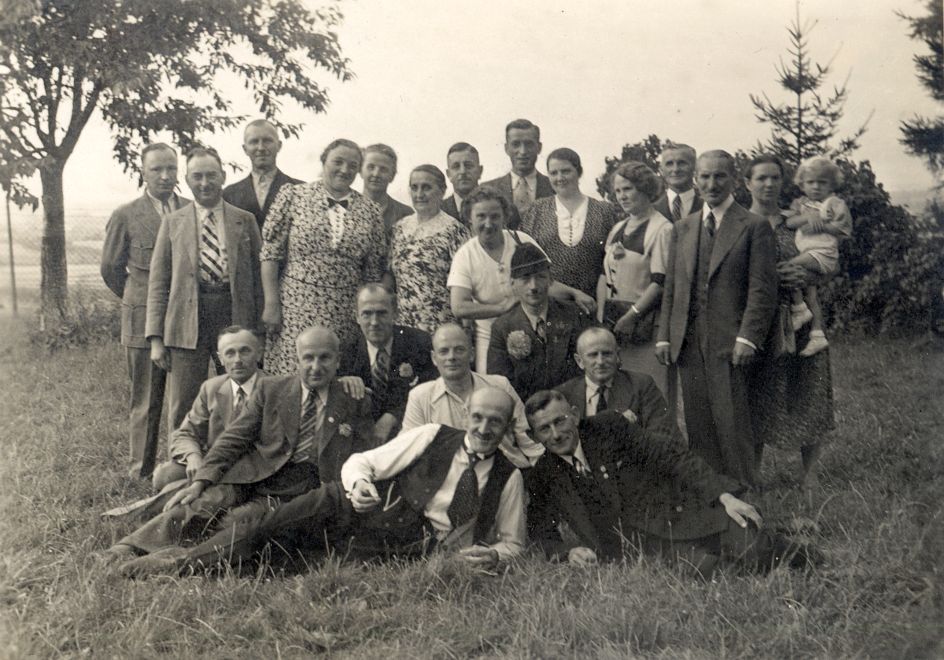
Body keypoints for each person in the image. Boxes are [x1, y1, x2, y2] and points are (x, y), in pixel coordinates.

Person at [118, 387, 526, 576]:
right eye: (478, 417)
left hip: (395, 543)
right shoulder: (434, 434)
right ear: (466, 416)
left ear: (507, 427)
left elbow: (513, 543)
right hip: (345, 503)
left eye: (495, 421)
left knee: (287, 562)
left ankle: (189, 561)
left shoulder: (508, 477)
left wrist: (495, 556)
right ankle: (176, 564)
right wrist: (359, 485)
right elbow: (363, 462)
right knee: (265, 528)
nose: (484, 428)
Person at [108, 327, 374, 564]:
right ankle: (128, 547)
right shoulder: (273, 389)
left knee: (239, 521)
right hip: (255, 473)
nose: (316, 366)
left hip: (301, 488)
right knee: (204, 500)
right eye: (308, 358)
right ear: (297, 359)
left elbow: (364, 456)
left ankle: (178, 555)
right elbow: (233, 439)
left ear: (338, 360)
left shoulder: (354, 399)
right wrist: (201, 481)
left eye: (324, 358)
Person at [525, 390, 818, 575]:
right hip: (643, 551)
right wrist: (567, 553)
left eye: (560, 421)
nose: (555, 434)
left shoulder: (608, 427)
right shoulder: (544, 474)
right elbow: (539, 530)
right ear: (534, 436)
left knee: (757, 550)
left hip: (679, 516)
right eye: (544, 429)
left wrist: (723, 496)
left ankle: (797, 550)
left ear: (575, 416)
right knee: (711, 570)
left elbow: (671, 456)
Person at [656, 150, 778, 487]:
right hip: (688, 338)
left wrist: (748, 337)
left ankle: (744, 488)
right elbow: (672, 287)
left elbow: (762, 290)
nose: (712, 184)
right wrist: (665, 335)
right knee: (698, 420)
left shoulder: (753, 226)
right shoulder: (683, 227)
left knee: (732, 418)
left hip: (731, 339)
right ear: (696, 180)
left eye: (720, 176)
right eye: (705, 177)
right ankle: (712, 492)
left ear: (734, 180)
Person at [146, 146, 264, 441]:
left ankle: (235, 457)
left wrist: (259, 330)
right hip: (187, 320)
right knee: (184, 402)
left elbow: (259, 279)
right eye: (197, 176)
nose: (204, 183)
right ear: (186, 180)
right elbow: (159, 283)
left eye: (211, 175)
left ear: (223, 176)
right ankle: (182, 459)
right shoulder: (173, 222)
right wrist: (156, 339)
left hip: (234, 316)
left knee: (239, 396)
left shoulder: (244, 220)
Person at [744, 154, 835, 489]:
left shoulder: (797, 222)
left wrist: (805, 273)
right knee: (755, 392)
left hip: (801, 317)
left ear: (783, 182)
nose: (768, 184)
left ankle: (809, 473)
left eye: (775, 177)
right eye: (761, 178)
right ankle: (752, 474)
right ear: (748, 183)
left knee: (808, 387)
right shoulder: (738, 224)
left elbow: (827, 261)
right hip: (756, 320)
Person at [101, 143, 190, 479]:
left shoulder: (191, 209)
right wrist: (138, 298)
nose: (165, 176)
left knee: (184, 396)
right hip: (141, 317)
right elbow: (111, 268)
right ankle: (140, 469)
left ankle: (180, 465)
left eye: (171, 168)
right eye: (157, 169)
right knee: (146, 397)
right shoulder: (126, 214)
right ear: (143, 172)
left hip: (184, 318)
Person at [260, 138, 387, 374]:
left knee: (337, 374)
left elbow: (372, 272)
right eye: (338, 162)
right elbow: (270, 254)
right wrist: (271, 303)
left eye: (353, 165)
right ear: (323, 161)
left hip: (345, 310)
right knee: (294, 373)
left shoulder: (370, 210)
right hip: (296, 306)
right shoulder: (294, 195)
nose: (345, 170)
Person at [448, 187, 595, 373]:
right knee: (494, 383)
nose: (488, 223)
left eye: (495, 216)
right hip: (489, 334)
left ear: (505, 216)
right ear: (470, 218)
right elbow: (459, 307)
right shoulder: (465, 256)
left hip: (531, 326)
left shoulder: (521, 240)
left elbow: (543, 282)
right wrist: (501, 308)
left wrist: (574, 293)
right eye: (481, 216)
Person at [403, 323, 544, 468]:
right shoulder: (420, 397)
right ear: (434, 358)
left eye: (459, 350)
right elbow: (407, 451)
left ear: (471, 354)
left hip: (506, 471)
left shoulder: (500, 386)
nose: (451, 357)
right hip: (448, 477)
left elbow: (529, 441)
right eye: (444, 351)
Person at [150, 326, 265, 491]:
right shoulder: (212, 388)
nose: (237, 360)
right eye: (230, 353)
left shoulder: (273, 388)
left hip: (255, 467)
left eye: (245, 351)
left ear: (259, 354)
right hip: (214, 463)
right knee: (164, 476)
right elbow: (185, 433)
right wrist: (193, 456)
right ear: (221, 359)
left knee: (187, 490)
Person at [601, 161, 675, 409]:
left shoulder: (662, 229)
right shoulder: (618, 228)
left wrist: (632, 315)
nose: (622, 196)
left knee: (650, 395)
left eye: (628, 189)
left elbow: (660, 282)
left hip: (644, 324)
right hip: (616, 321)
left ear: (645, 188)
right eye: (618, 190)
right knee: (623, 397)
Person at [338, 284, 437, 442]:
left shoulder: (419, 343)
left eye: (382, 313)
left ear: (395, 313)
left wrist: (392, 417)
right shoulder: (347, 351)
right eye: (367, 314)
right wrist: (342, 382)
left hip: (410, 433)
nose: (374, 322)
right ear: (357, 316)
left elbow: (432, 390)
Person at [487, 243, 584, 402]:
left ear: (550, 280)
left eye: (540, 277)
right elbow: (500, 384)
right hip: (526, 409)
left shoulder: (572, 315)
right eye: (525, 278)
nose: (533, 286)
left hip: (570, 403)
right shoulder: (502, 328)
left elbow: (585, 371)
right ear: (512, 283)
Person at [520, 147, 617, 299]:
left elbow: (612, 263)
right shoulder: (536, 210)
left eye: (566, 171)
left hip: (593, 301)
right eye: (553, 173)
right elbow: (524, 260)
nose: (559, 178)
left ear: (579, 172)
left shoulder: (604, 211)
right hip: (548, 301)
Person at [556, 327, 680, 446]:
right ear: (579, 361)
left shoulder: (641, 385)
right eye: (593, 355)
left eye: (607, 354)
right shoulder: (564, 395)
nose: (600, 362)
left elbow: (664, 438)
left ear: (617, 356)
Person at [388, 164, 471, 333]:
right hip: (404, 326)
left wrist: (466, 330)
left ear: (442, 191)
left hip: (441, 329)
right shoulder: (399, 228)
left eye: (426, 187)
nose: (419, 194)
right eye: (414, 187)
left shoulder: (455, 231)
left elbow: (467, 286)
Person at [785, 156, 853, 357]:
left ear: (832, 185)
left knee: (788, 268)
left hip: (823, 253)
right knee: (811, 294)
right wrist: (807, 218)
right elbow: (789, 222)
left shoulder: (834, 203)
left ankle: (799, 309)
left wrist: (821, 225)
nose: (816, 187)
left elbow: (844, 228)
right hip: (807, 251)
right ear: (802, 184)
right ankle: (817, 335)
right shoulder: (801, 203)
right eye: (811, 182)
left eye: (822, 182)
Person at [222, 119, 303, 231]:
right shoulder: (229, 194)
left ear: (279, 145)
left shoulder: (300, 190)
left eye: (267, 141)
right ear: (245, 149)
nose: (261, 148)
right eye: (254, 142)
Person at [481, 118, 554, 229]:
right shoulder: (488, 189)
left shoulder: (554, 188)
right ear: (506, 148)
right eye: (516, 144)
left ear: (539, 148)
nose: (523, 151)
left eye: (529, 144)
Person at [360, 143, 413, 237]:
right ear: (360, 171)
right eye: (371, 167)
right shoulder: (345, 208)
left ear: (392, 176)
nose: (376, 174)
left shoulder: (405, 214)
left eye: (383, 169)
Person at [653, 142, 702, 223]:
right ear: (661, 170)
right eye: (669, 164)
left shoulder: (707, 206)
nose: (676, 169)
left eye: (682, 163)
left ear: (695, 167)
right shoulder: (652, 211)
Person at [442, 142, 484, 223]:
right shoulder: (439, 210)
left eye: (468, 166)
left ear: (480, 171)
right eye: (456, 167)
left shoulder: (497, 206)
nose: (463, 171)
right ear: (448, 174)